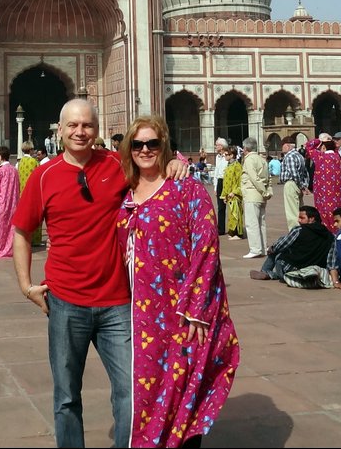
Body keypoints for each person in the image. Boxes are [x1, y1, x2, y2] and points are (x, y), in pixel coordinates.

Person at [12, 99, 138, 448]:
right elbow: (22, 231)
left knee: (131, 391)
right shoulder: (44, 174)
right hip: (66, 302)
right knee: (66, 396)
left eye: (87, 125)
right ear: (60, 129)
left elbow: (155, 180)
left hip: (118, 302)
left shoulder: (119, 164)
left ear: (96, 129)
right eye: (73, 125)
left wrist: (174, 165)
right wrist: (26, 286)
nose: (80, 132)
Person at [116, 115, 240, 448]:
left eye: (152, 144)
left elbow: (207, 247)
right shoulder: (125, 191)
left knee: (184, 387)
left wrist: (196, 308)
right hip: (141, 314)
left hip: (181, 311)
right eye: (138, 144)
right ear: (129, 148)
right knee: (150, 388)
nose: (145, 150)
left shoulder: (187, 188)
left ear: (164, 146)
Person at [249, 205, 336, 285]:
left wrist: (272, 248)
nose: (299, 220)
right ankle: (272, 275)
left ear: (311, 219)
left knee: (277, 248)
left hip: (290, 269)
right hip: (313, 271)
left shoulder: (299, 230)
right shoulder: (331, 236)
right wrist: (335, 280)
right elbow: (331, 261)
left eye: (302, 218)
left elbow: (280, 245)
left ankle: (266, 272)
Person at [240, 137, 270, 259]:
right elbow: (268, 177)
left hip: (252, 193)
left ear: (246, 148)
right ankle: (263, 248)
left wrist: (263, 190)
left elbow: (253, 178)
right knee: (261, 222)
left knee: (251, 223)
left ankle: (255, 249)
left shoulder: (249, 160)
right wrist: (267, 191)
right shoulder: (262, 159)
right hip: (261, 195)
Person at [306, 134, 341, 233]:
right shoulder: (337, 157)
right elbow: (335, 149)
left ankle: (328, 236)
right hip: (336, 194)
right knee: (336, 215)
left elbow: (308, 146)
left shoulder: (320, 157)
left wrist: (319, 140)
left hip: (322, 193)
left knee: (324, 216)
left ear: (324, 147)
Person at [0, 145, 19, 258]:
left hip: (1, 204)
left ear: (1, 156)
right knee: (10, 228)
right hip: (13, 204)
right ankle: (9, 248)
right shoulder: (14, 170)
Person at [279, 139, 309, 231]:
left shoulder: (289, 156)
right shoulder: (299, 155)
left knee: (292, 212)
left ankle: (295, 233)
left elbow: (294, 173)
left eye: (282, 145)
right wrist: (304, 185)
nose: (281, 148)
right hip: (298, 184)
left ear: (287, 146)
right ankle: (303, 230)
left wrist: (300, 185)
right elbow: (305, 173)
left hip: (291, 183)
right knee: (299, 209)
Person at [17, 141, 41, 245]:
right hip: (33, 192)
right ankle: (35, 240)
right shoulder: (34, 161)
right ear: (30, 150)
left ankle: (26, 238)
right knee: (36, 216)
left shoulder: (20, 162)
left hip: (22, 191)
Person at [220, 145, 244, 241]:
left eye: (226, 154)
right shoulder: (229, 166)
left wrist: (235, 192)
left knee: (236, 213)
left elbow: (240, 181)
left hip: (234, 195)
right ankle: (233, 231)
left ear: (232, 155)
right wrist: (224, 195)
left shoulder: (237, 166)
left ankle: (238, 233)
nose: (224, 156)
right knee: (231, 214)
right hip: (229, 194)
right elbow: (226, 182)